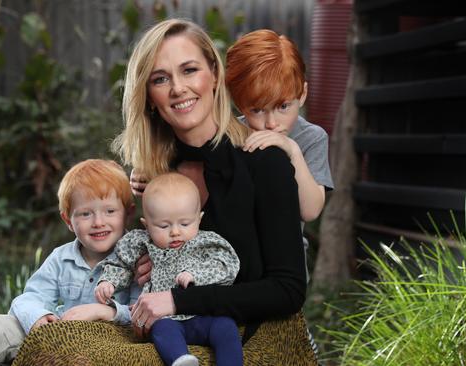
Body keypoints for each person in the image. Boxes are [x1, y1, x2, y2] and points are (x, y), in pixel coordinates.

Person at [111, 17, 309, 355]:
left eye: (189, 70)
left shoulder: (264, 162)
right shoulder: (156, 174)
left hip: (250, 341)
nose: (178, 88)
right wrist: (148, 262)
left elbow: (288, 289)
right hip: (171, 339)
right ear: (148, 97)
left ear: (214, 76)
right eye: (161, 79)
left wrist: (177, 299)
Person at [0, 159, 140, 366]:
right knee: (0, 326)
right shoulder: (61, 258)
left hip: (108, 340)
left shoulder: (138, 259)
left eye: (110, 211)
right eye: (85, 214)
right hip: (55, 333)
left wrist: (106, 311)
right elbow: (30, 297)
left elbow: (142, 311)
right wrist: (39, 317)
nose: (98, 222)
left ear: (128, 214)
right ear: (68, 221)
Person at [95, 172, 242, 366]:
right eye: (163, 226)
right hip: (166, 318)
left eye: (185, 223)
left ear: (199, 219)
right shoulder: (141, 242)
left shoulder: (206, 242)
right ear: (146, 225)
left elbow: (228, 265)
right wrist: (109, 281)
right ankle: (181, 360)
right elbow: (122, 264)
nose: (175, 232)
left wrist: (195, 274)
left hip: (205, 315)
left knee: (226, 328)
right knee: (161, 330)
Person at [226, 29, 335, 284]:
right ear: (240, 104)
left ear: (303, 94)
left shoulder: (311, 138)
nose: (272, 122)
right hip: (231, 266)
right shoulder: (232, 135)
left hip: (284, 270)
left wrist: (292, 150)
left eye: (283, 106)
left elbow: (310, 210)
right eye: (257, 110)